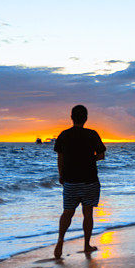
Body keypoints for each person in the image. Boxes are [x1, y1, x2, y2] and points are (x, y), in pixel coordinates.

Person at [53, 105, 106, 259]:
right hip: (89, 179)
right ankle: (86, 245)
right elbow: (101, 155)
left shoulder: (64, 135)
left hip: (70, 180)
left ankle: (60, 240)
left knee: (67, 212)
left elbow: (60, 158)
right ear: (86, 118)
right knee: (88, 213)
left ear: (72, 117)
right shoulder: (92, 134)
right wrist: (89, 159)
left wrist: (61, 175)